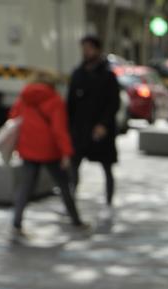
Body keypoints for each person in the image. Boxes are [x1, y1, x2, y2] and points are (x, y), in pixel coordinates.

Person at [8, 70, 86, 238]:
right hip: (50, 150)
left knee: (25, 187)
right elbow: (60, 130)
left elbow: (13, 118)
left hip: (28, 148)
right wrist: (66, 152)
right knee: (64, 185)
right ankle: (76, 220)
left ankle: (16, 223)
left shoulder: (24, 97)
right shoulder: (54, 100)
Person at [66, 35, 121, 208]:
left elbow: (113, 103)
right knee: (74, 166)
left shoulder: (108, 75)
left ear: (97, 50)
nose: (86, 51)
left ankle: (109, 199)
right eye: (84, 48)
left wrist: (103, 124)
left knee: (106, 167)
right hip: (80, 129)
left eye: (89, 48)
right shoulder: (78, 74)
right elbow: (70, 103)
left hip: (100, 129)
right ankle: (71, 199)